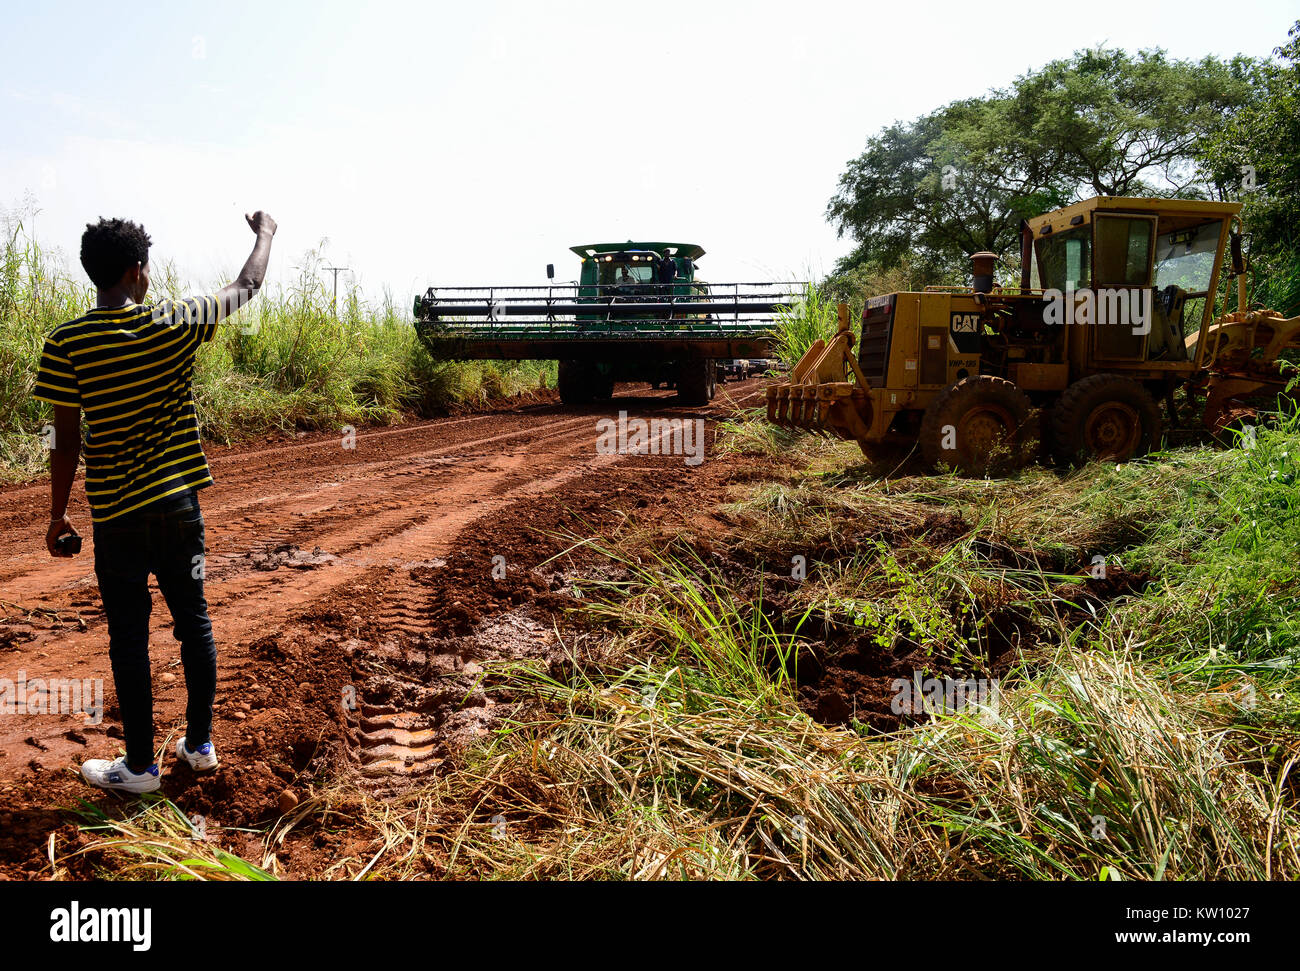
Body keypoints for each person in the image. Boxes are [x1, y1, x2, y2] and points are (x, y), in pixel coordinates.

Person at [34, 211, 277, 794]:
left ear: (95, 273)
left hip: (117, 517)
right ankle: (199, 745)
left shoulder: (67, 343)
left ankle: (139, 766)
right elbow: (246, 287)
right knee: (193, 620)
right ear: (138, 270)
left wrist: (57, 514)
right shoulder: (175, 321)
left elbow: (66, 442)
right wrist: (265, 233)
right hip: (178, 508)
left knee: (129, 638)